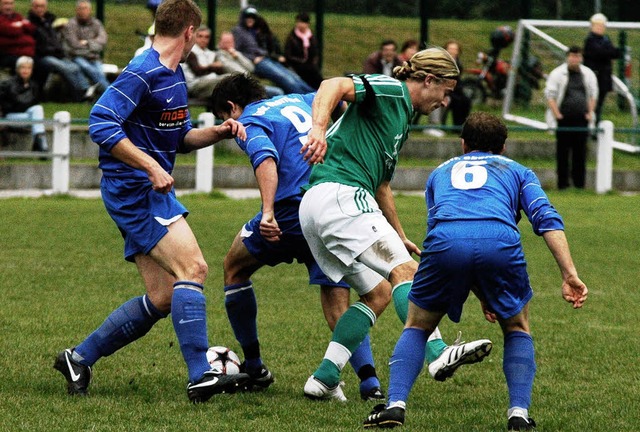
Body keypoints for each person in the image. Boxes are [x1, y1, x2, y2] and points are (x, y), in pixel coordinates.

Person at [53, 0, 250, 403]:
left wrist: (219, 132)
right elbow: (100, 121)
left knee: (163, 296)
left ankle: (78, 357)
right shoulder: (143, 71)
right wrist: (149, 167)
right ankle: (200, 374)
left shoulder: (174, 74)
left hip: (149, 189)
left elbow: (179, 139)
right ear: (190, 33)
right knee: (193, 268)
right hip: (135, 189)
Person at [362, 112, 588, 430]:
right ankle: (519, 415)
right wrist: (569, 273)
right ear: (504, 147)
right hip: (499, 241)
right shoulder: (519, 171)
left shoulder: (439, 173)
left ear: (463, 143)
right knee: (517, 328)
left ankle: (395, 405)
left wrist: (477, 284)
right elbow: (546, 218)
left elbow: (453, 232)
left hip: (444, 243)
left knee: (416, 325)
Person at [298, 48, 492, 401]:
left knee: (380, 292)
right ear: (428, 80)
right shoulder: (390, 89)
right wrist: (318, 130)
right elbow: (332, 85)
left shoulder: (402, 118)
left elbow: (383, 185)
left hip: (324, 203)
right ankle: (437, 353)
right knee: (408, 275)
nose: (446, 101)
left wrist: (399, 236)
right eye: (446, 91)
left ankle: (324, 378)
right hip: (341, 194)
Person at [209, 72, 387, 400]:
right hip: (330, 203)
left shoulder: (248, 120)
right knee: (337, 293)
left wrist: (267, 212)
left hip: (291, 212)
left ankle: (255, 366)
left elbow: (266, 160)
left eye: (224, 119)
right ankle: (369, 382)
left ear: (232, 107)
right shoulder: (300, 99)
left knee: (234, 267)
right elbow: (337, 97)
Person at [545, 46, 598, 190]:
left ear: (581, 58)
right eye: (572, 56)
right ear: (567, 57)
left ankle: (579, 185)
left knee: (580, 153)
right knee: (562, 153)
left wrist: (589, 113)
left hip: (582, 120)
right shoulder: (557, 73)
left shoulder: (588, 74)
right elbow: (550, 95)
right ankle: (562, 184)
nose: (575, 59)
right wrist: (558, 115)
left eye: (577, 56)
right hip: (564, 119)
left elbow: (593, 94)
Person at [232, 6, 314, 94]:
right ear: (243, 18)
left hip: (265, 57)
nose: (250, 19)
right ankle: (305, 97)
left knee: (293, 76)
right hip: (256, 62)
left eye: (253, 17)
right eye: (248, 16)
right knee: (284, 78)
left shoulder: (253, 30)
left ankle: (314, 94)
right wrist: (252, 58)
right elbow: (235, 51)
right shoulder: (238, 31)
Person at [28, 0, 97, 102]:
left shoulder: (49, 21)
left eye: (42, 6)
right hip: (42, 56)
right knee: (65, 68)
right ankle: (80, 94)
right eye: (37, 6)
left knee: (75, 67)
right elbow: (39, 45)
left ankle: (87, 90)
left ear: (46, 7)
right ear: (32, 7)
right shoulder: (30, 23)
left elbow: (55, 40)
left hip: (56, 54)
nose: (39, 9)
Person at [0, 55, 48, 152]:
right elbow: (16, 104)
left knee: (38, 109)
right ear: (17, 69)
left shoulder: (34, 85)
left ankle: (39, 141)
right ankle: (40, 143)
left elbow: (35, 104)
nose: (25, 70)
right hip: (10, 117)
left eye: (28, 68)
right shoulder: (8, 84)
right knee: (37, 116)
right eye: (23, 67)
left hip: (28, 117)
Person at [216, 30, 283, 98]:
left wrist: (237, 57)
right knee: (277, 93)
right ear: (220, 43)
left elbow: (251, 68)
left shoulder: (236, 53)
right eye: (226, 42)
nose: (229, 44)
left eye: (231, 42)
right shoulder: (220, 55)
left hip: (249, 85)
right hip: (239, 88)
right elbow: (234, 70)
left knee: (278, 91)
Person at [62, 0, 111, 93]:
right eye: (80, 8)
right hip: (77, 57)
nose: (83, 11)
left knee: (100, 72)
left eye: (85, 8)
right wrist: (93, 47)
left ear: (90, 10)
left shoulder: (96, 23)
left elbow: (103, 41)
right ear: (76, 10)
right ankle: (109, 93)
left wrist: (87, 43)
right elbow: (74, 46)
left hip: (94, 58)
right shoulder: (71, 24)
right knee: (91, 70)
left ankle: (101, 93)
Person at [583, 13, 621, 125]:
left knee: (599, 104)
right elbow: (599, 53)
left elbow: (615, 53)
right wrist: (609, 52)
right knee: (591, 101)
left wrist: (609, 52)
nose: (600, 28)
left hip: (604, 77)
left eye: (602, 25)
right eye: (597, 25)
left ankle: (596, 125)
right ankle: (590, 125)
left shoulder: (605, 39)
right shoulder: (590, 40)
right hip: (594, 76)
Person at [182, 25, 225, 100]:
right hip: (195, 86)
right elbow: (198, 71)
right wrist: (212, 66)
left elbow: (220, 69)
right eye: (200, 36)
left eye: (206, 37)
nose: (203, 39)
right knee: (227, 80)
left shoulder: (211, 53)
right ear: (195, 36)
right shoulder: (190, 51)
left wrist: (211, 67)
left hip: (209, 84)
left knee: (230, 81)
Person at [284, 12, 323, 89]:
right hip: (297, 66)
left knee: (317, 79)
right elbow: (288, 55)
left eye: (302, 22)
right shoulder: (292, 37)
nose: (300, 25)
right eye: (298, 22)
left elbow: (315, 52)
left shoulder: (311, 37)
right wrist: (300, 61)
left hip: (310, 67)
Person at [440, 39, 471, 128]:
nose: (453, 51)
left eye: (455, 49)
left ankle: (460, 125)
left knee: (465, 100)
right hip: (445, 89)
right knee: (455, 100)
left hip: (455, 89)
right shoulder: (442, 62)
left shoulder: (458, 64)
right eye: (450, 49)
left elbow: (458, 80)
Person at [0, 0, 37, 73]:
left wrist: (18, 26)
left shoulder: (17, 16)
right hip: (7, 55)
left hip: (25, 52)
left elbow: (31, 28)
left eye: (11, 4)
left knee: (41, 63)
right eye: (5, 4)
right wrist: (22, 25)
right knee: (26, 65)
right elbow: (12, 31)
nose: (8, 7)